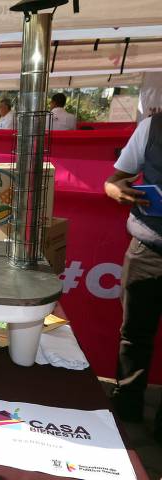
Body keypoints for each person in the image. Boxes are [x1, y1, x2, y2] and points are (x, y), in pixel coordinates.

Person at [104, 112, 162, 444]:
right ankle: (126, 413)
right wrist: (117, 190)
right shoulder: (152, 127)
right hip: (148, 249)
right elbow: (115, 180)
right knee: (134, 336)